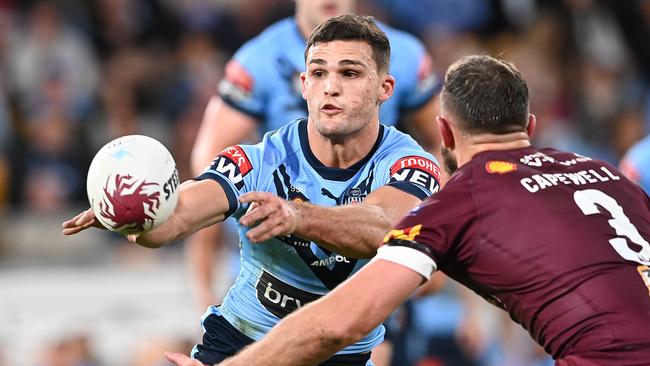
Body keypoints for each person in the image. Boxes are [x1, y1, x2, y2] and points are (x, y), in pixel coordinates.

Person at [165, 54, 650, 366]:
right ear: (530, 124)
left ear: (443, 134)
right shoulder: (609, 175)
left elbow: (338, 324)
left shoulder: (458, 201)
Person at [63, 15, 441, 366]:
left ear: (385, 88)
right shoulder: (258, 161)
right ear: (304, 85)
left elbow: (385, 227)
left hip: (342, 354)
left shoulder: (411, 164)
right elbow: (178, 216)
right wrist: (136, 215)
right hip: (242, 342)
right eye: (318, 73)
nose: (332, 87)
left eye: (350, 73)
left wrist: (297, 216)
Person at [187, 0, 441, 313]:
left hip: (369, 240)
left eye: (350, 74)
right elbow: (210, 161)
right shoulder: (259, 59)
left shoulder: (404, 54)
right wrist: (208, 270)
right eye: (319, 74)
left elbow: (444, 144)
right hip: (281, 245)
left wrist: (431, 224)